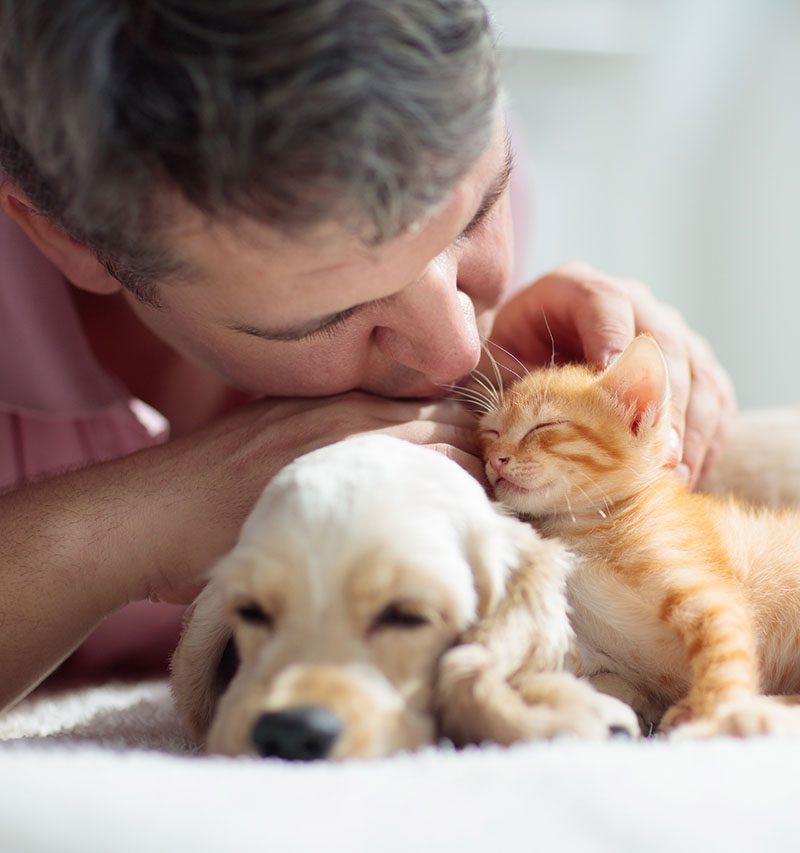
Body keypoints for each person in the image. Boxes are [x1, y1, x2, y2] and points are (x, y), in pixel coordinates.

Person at [0, 0, 735, 711]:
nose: (458, 346)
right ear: (67, 238)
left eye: (478, 215)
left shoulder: (425, 136)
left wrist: (531, 390)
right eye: (337, 314)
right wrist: (139, 519)